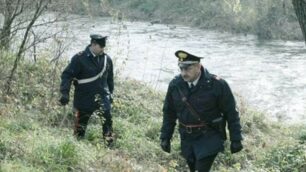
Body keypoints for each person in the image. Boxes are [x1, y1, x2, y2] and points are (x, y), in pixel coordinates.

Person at [160, 50, 243, 172]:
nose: (184, 73)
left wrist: (236, 138)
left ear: (198, 66)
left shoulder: (217, 85)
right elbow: (169, 112)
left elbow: (231, 112)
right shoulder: (175, 85)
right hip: (187, 138)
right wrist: (165, 136)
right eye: (181, 68)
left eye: (188, 68)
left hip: (209, 136)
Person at [59, 34, 114, 143]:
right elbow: (67, 75)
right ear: (93, 44)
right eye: (100, 47)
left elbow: (110, 80)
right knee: (80, 127)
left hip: (103, 97)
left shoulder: (107, 59)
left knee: (108, 122)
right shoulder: (79, 58)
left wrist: (111, 94)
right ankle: (76, 147)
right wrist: (65, 93)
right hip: (84, 98)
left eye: (104, 47)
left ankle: (109, 145)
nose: (103, 49)